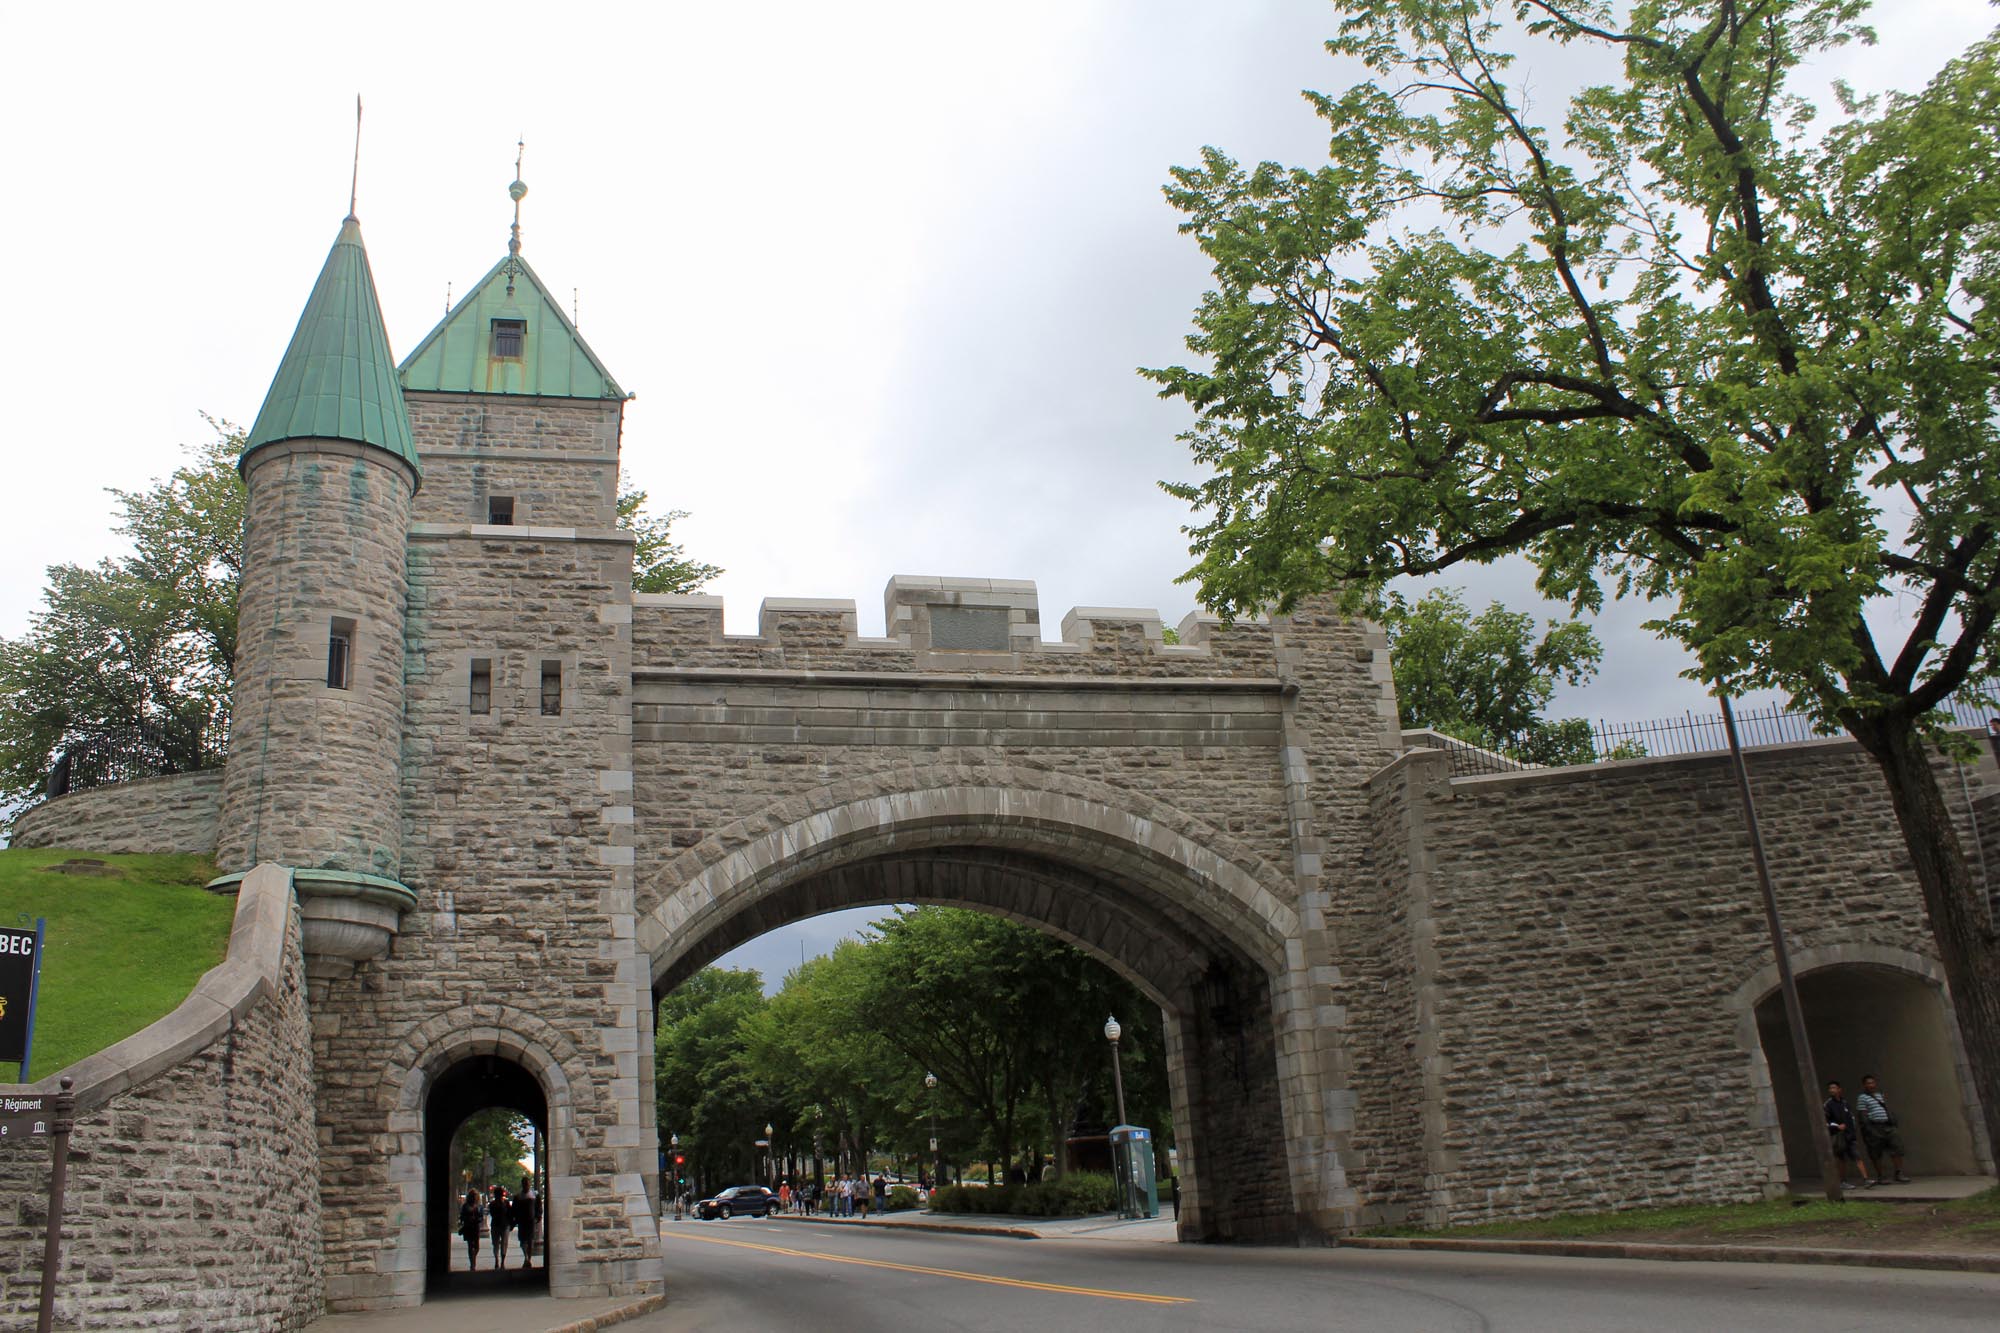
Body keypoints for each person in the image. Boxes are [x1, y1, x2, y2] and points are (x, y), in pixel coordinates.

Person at [1856, 1074, 1911, 1183]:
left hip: (1888, 1126)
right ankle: (1881, 1176)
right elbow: (1863, 1115)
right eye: (1868, 1083)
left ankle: (1899, 1173)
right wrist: (1869, 1129)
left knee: (1897, 1148)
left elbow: (1886, 1109)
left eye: (1872, 1082)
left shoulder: (1880, 1095)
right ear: (1864, 1085)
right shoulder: (1862, 1097)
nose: (1871, 1085)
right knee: (1876, 1152)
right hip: (1875, 1126)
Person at [1822, 1081, 1874, 1189]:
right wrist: (1836, 1126)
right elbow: (1825, 1121)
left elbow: (1851, 1118)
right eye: (1830, 1088)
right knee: (1841, 1159)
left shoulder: (1844, 1103)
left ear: (1839, 1089)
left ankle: (1866, 1179)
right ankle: (1843, 1181)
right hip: (1838, 1135)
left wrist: (1852, 1130)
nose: (1832, 1090)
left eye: (1834, 1088)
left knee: (1857, 1156)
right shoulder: (1828, 1104)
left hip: (1849, 1134)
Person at [516, 1176, 540, 1269]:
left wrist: (538, 1217)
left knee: (530, 1240)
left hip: (531, 1221)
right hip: (522, 1221)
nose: (526, 1185)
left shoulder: (534, 1194)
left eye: (527, 1183)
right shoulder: (518, 1196)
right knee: (522, 1241)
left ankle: (528, 1259)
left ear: (529, 1184)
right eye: (524, 1183)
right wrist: (515, 1220)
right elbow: (515, 1209)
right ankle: (526, 1256)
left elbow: (538, 1207)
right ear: (522, 1184)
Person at [458, 1188, 484, 1271]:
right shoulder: (465, 1206)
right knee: (470, 1245)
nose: (474, 1197)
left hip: (476, 1227)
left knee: (477, 1246)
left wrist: (477, 1219)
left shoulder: (479, 1206)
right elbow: (462, 1216)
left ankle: (473, 1259)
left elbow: (481, 1217)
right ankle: (472, 1264)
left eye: (475, 1196)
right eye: (473, 1195)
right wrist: (466, 1219)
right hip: (468, 1227)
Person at [489, 1184, 513, 1267]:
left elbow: (492, 1214)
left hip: (496, 1225)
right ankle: (502, 1262)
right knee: (504, 1244)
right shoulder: (506, 1203)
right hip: (504, 1225)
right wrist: (511, 1223)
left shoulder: (492, 1204)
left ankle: (497, 1260)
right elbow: (510, 1213)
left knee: (496, 1244)